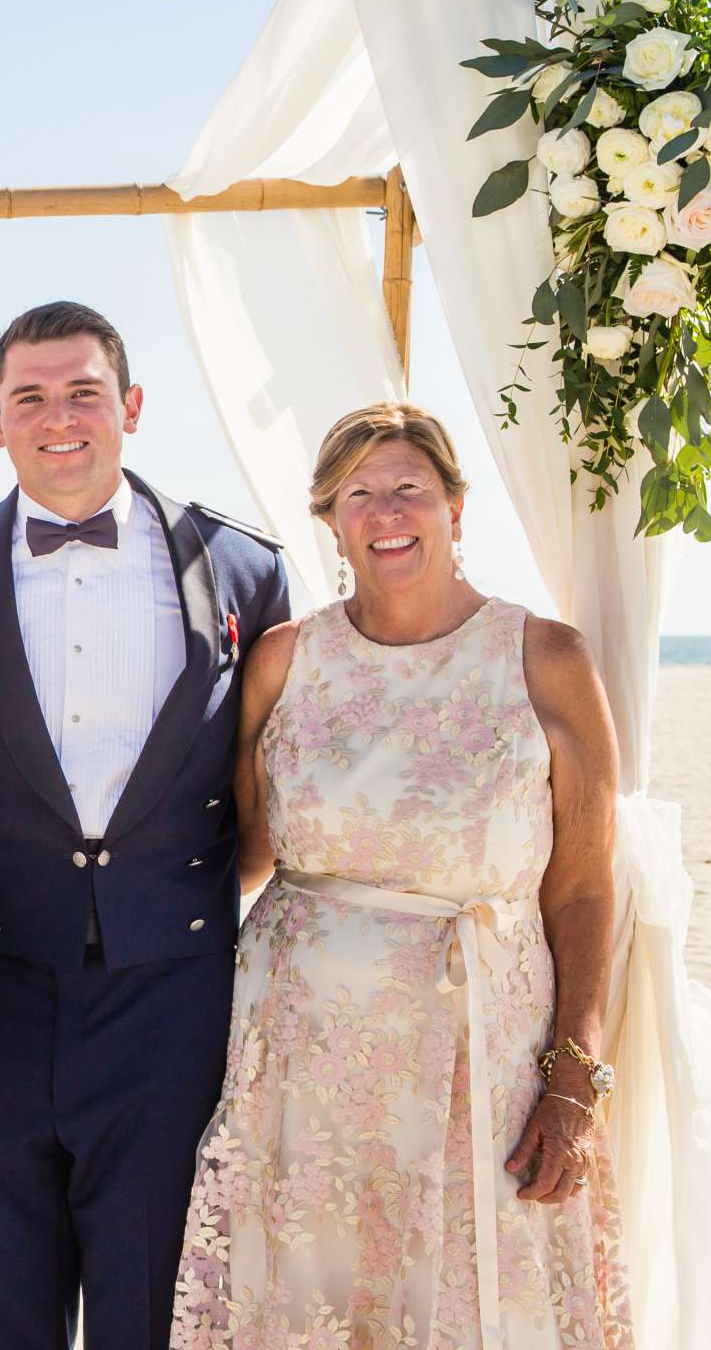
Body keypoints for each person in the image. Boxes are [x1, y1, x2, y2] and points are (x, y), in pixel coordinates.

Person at [172, 402, 626, 1346]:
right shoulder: (285, 660)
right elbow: (249, 853)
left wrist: (574, 1080)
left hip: (482, 1050)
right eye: (358, 496)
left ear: (456, 507)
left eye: (409, 491)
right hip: (302, 1055)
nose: (386, 514)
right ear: (331, 521)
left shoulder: (546, 658)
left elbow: (584, 886)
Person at [0, 301, 289, 1348]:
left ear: (132, 406)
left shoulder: (243, 564)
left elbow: (269, 776)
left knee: (152, 1298)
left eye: (83, 393)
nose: (58, 418)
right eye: (31, 398)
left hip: (175, 989)